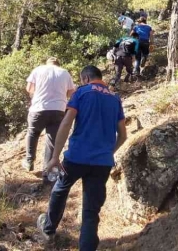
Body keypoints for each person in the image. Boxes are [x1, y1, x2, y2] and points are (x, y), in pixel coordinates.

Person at [36, 66, 128, 250]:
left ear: (85, 78)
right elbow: (123, 135)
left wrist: (54, 157)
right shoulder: (115, 99)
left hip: (76, 157)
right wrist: (108, 152)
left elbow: (66, 123)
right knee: (90, 212)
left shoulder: (82, 93)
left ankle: (49, 229)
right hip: (102, 162)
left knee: (60, 189)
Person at [22, 57, 76, 178]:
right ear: (58, 64)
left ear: (47, 63)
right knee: (52, 140)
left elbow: (29, 88)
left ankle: (29, 161)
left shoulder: (38, 70)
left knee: (33, 132)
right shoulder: (64, 72)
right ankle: (48, 171)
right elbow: (71, 93)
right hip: (58, 109)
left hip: (38, 108)